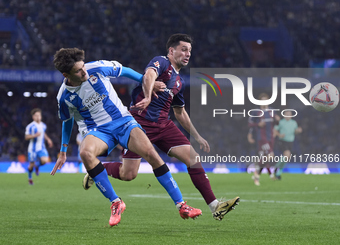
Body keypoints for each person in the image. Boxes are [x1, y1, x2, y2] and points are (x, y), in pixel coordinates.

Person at [83, 34, 240, 220]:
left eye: (189, 50)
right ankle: (97, 170)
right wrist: (148, 97)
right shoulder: (162, 62)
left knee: (193, 158)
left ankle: (215, 206)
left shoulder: (179, 82)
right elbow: (149, 75)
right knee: (128, 174)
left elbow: (180, 112)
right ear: (171, 51)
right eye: (183, 49)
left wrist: (197, 136)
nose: (187, 54)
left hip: (164, 125)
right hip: (138, 124)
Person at [51, 48, 202, 227]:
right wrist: (63, 151)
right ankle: (116, 203)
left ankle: (182, 205)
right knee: (85, 152)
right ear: (65, 74)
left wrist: (148, 84)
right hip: (98, 131)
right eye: (78, 71)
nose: (84, 71)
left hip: (123, 122)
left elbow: (125, 71)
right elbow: (67, 121)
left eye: (83, 66)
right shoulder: (64, 97)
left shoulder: (97, 68)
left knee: (151, 155)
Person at [248, 93, 280, 186]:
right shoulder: (256, 112)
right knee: (270, 155)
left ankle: (257, 174)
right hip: (262, 137)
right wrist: (257, 125)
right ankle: (258, 173)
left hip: (271, 138)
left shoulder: (272, 111)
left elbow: (276, 124)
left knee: (265, 158)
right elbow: (250, 124)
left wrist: (277, 120)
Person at [25, 108, 53, 185]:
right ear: (33, 117)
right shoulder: (30, 126)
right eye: (36, 115)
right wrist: (35, 135)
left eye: (39, 115)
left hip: (41, 147)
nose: (38, 117)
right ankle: (30, 178)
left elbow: (43, 133)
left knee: (45, 160)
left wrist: (48, 139)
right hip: (32, 149)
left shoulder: (43, 125)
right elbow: (26, 137)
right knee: (31, 166)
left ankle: (37, 166)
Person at [274, 110, 302, 179]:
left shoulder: (294, 123)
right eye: (287, 114)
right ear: (284, 115)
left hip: (290, 142)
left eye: (289, 114)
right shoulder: (281, 122)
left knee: (286, 158)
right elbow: (274, 130)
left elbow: (296, 131)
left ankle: (277, 170)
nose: (288, 115)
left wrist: (298, 131)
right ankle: (276, 169)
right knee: (287, 155)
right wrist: (279, 135)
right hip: (283, 141)